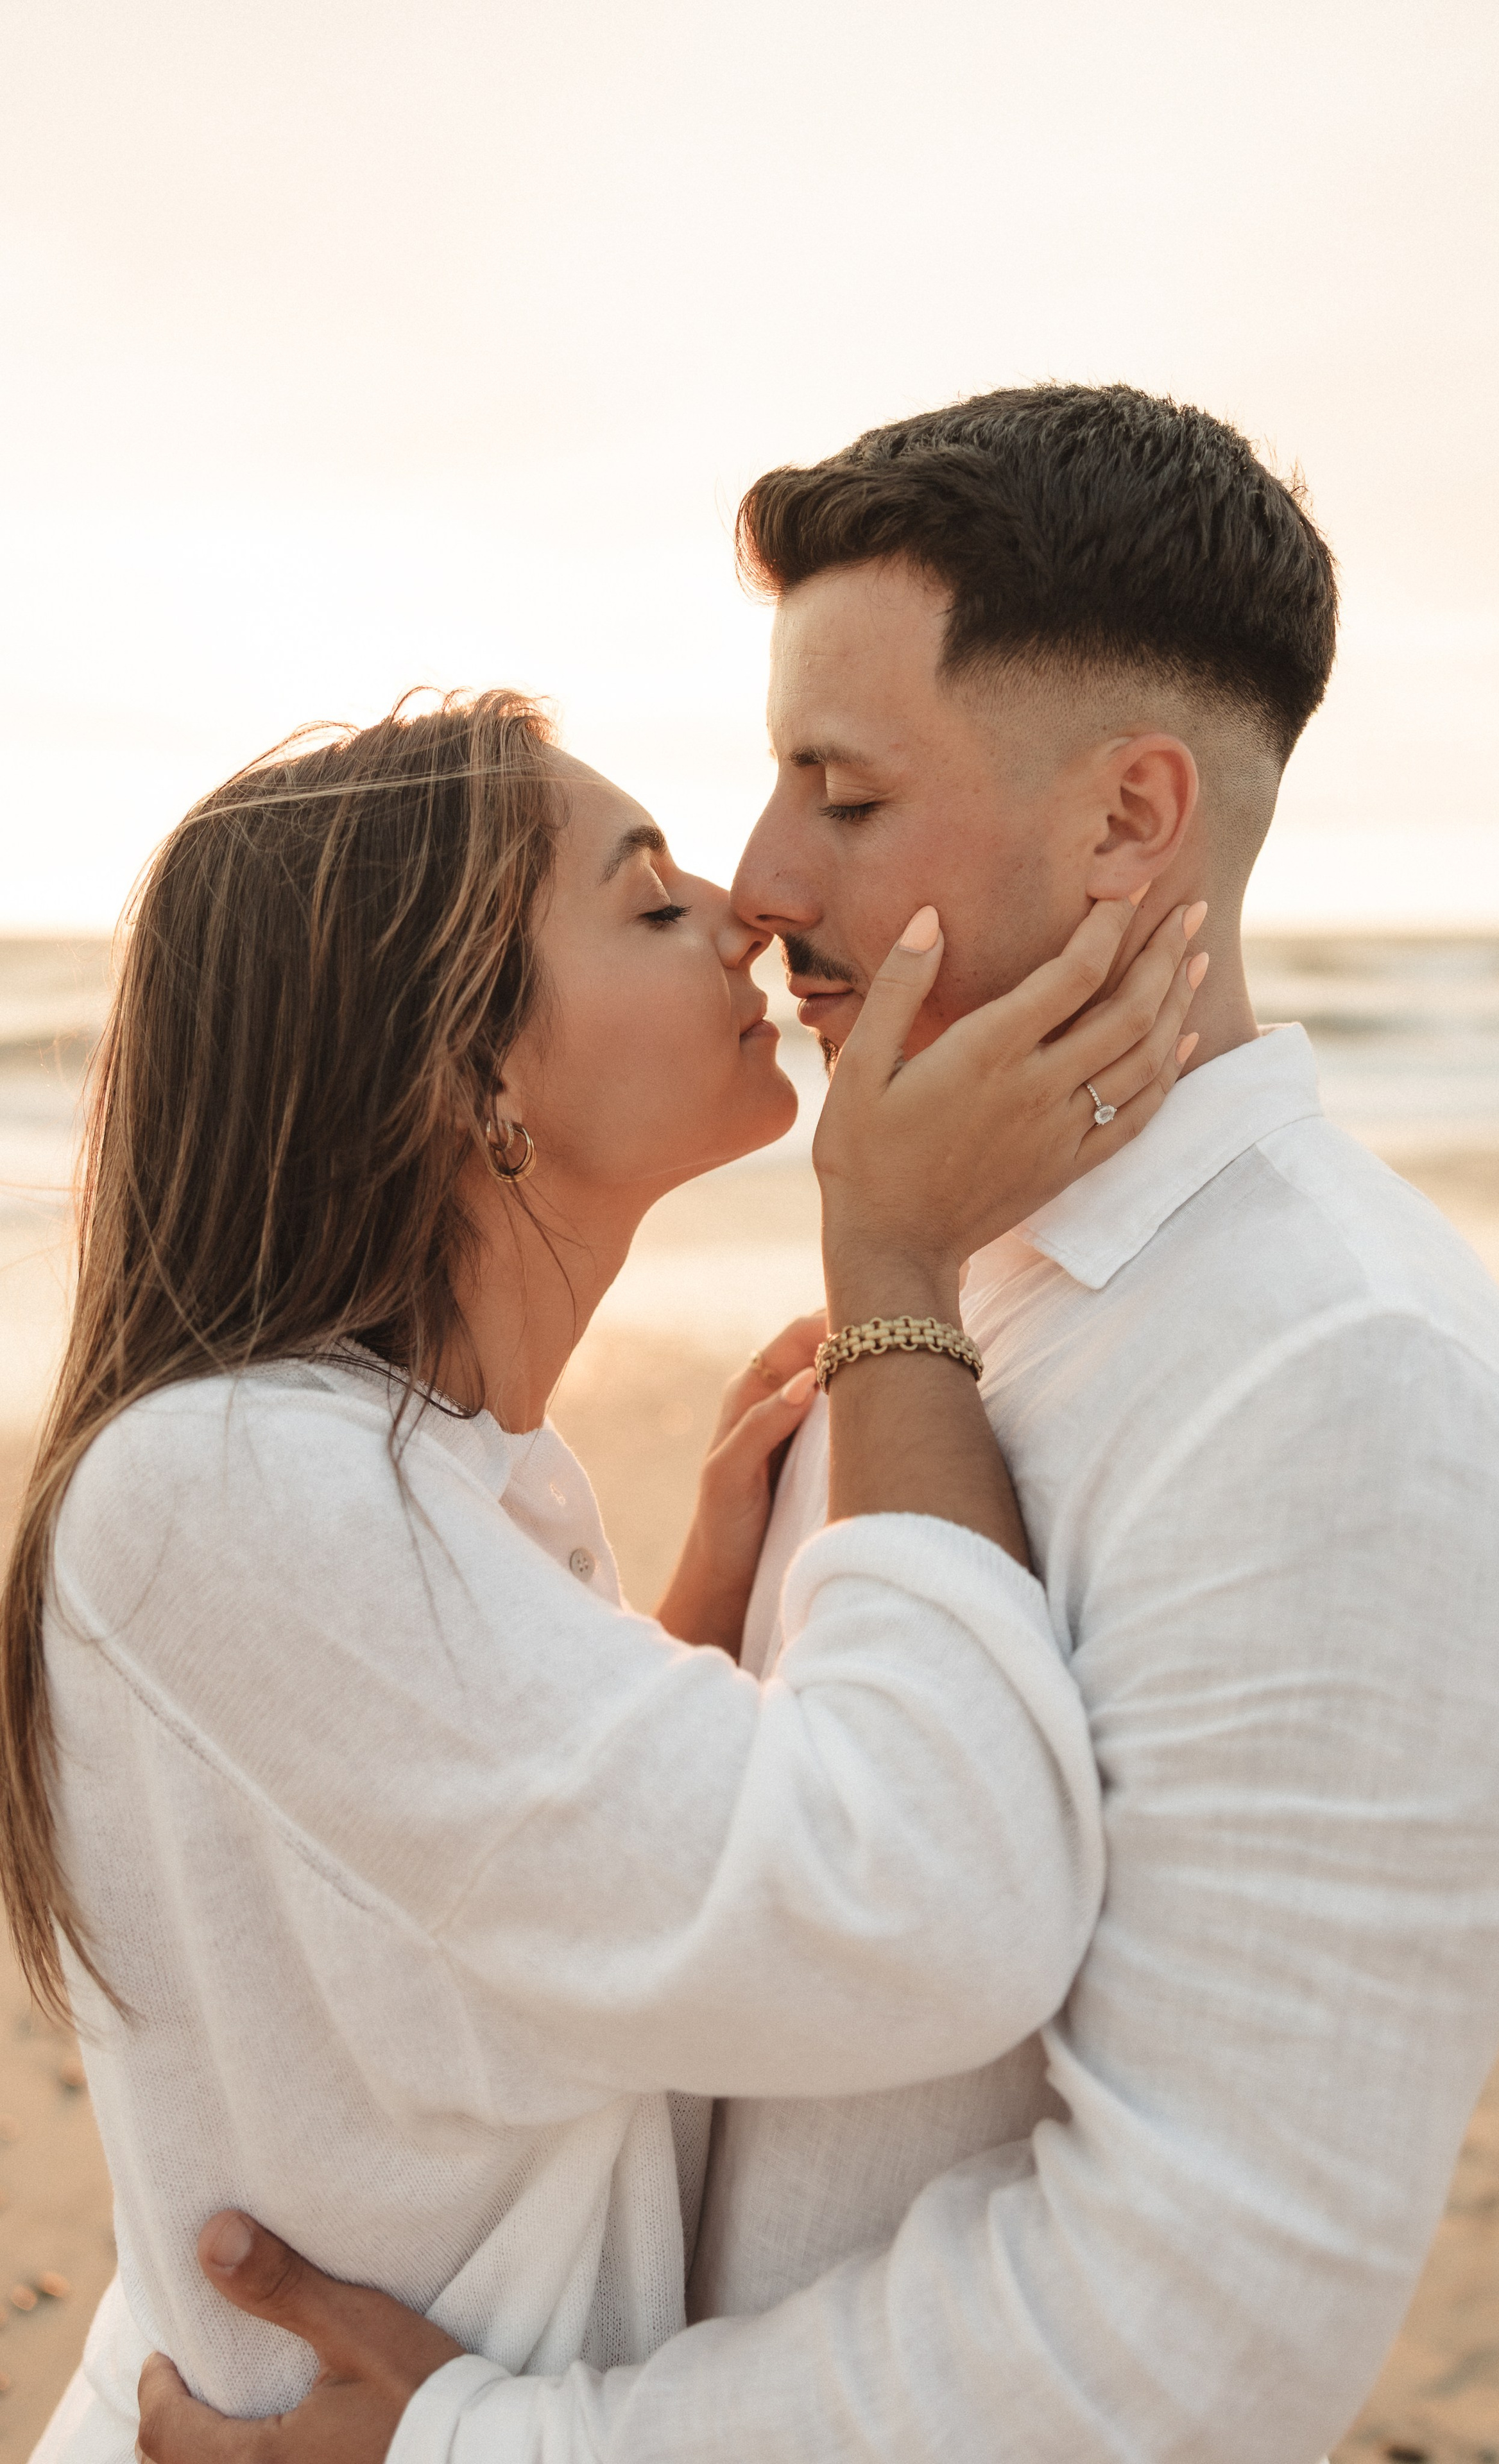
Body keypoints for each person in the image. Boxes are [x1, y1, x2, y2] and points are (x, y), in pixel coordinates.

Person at [137, 384, 1499, 2464]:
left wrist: (487, 2450)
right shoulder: (925, 1309)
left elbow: (1182, 2333)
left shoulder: (1374, 1404)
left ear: (1130, 818)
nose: (754, 885)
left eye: (839, 794)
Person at [8, 687, 1205, 2464]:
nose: (749, 910)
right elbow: (938, 1913)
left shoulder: (437, 1471)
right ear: (467, 1071)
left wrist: (677, 1642)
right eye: (650, 904)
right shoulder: (233, 1478)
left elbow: (437, 1932)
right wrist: (893, 1259)